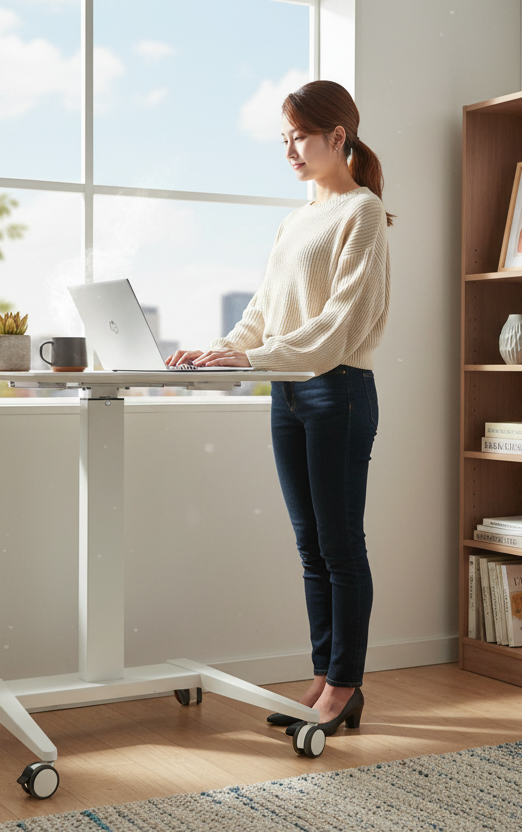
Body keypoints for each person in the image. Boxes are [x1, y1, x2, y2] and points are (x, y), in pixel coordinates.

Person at [166, 80, 392, 738]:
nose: (289, 149)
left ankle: (345, 685)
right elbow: (264, 315)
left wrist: (254, 359)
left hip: (339, 388)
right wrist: (217, 352)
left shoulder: (363, 213)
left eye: (299, 136)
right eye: (285, 138)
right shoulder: (295, 221)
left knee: (342, 545)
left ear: (337, 137)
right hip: (290, 390)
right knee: (310, 546)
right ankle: (322, 675)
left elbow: (339, 324)